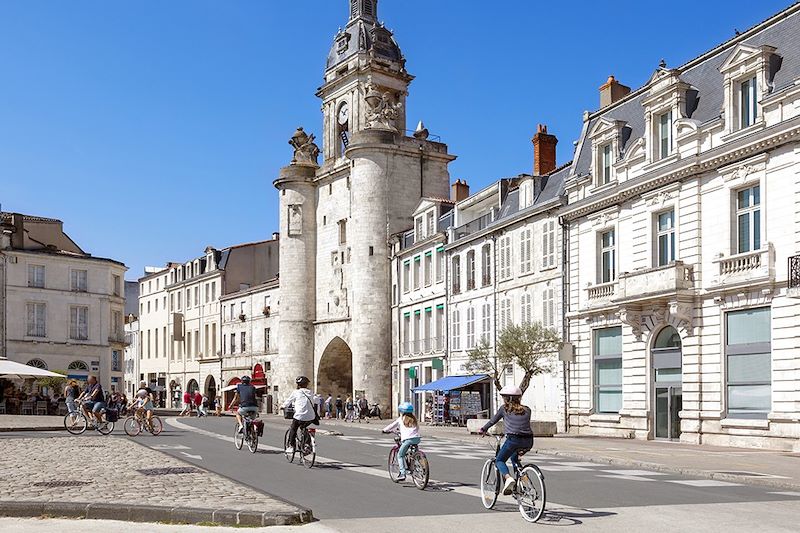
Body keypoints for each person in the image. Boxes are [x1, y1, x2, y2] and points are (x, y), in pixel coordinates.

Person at [478, 385, 533, 496]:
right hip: (529, 441)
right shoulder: (527, 410)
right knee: (515, 459)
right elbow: (520, 424)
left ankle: (508, 479)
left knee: (499, 460)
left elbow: (493, 421)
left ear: (507, 398)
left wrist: (483, 429)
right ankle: (525, 483)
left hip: (513, 439)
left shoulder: (504, 409)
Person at [382, 402, 421, 482]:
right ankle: (418, 465)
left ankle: (403, 473)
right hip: (417, 439)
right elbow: (416, 429)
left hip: (407, 439)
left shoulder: (401, 419)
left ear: (402, 411)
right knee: (413, 453)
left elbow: (392, 425)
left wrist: (384, 430)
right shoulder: (414, 419)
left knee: (400, 455)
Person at [283, 376, 317, 454]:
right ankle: (307, 444)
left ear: (298, 385)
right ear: (307, 384)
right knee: (304, 428)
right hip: (311, 416)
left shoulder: (296, 392)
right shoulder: (310, 392)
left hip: (299, 416)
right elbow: (316, 401)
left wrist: (283, 406)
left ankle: (291, 446)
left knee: (293, 428)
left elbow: (288, 401)